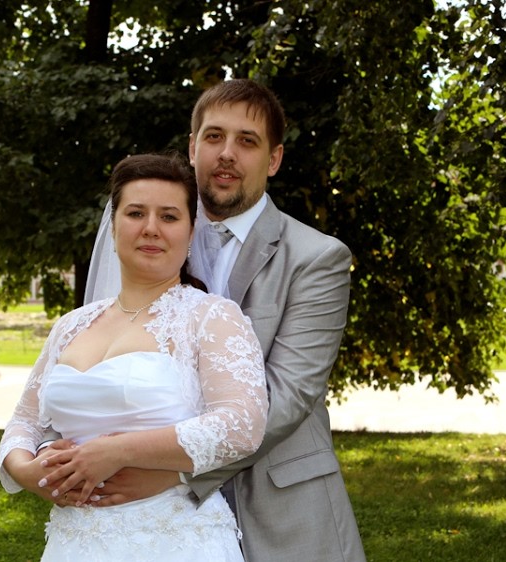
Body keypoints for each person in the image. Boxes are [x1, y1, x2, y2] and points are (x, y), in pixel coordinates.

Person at [82, 79, 365, 561]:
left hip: (281, 509)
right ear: (193, 147)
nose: (227, 153)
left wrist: (173, 471)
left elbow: (288, 395)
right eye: (214, 137)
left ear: (274, 159)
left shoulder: (316, 258)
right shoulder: (151, 242)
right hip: (152, 517)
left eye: (247, 141)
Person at [0, 154, 268, 560]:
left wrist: (118, 451)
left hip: (176, 540)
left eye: (169, 216)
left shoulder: (210, 317)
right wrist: (26, 471)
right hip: (74, 542)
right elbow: (23, 422)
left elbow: (242, 424)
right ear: (113, 227)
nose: (151, 228)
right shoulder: (71, 326)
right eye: (136, 213)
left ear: (191, 231)